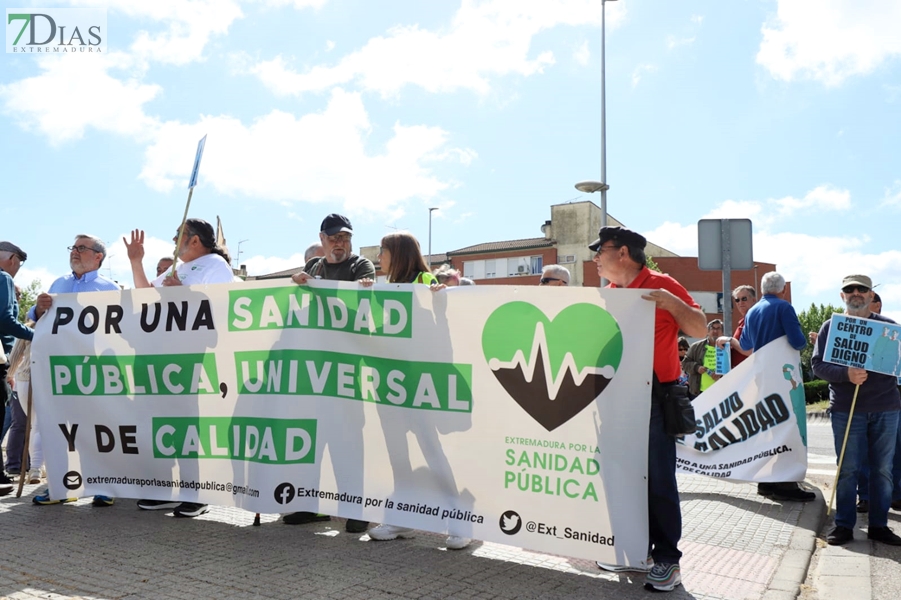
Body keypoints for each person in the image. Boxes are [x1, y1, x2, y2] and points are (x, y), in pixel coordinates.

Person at [590, 226, 706, 592]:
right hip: (616, 398)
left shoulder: (662, 284)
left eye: (600, 251)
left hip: (655, 398)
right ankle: (635, 549)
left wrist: (672, 304)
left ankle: (668, 560)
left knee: (658, 478)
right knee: (621, 475)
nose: (594, 258)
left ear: (622, 253)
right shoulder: (608, 294)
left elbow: (699, 328)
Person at [360, 232, 472, 550]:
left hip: (419, 384)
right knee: (398, 455)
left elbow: (448, 321)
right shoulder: (383, 289)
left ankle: (459, 522)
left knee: (432, 452)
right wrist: (366, 299)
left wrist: (441, 295)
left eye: (381, 251)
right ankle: (402, 517)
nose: (377, 257)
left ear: (397, 253)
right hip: (389, 385)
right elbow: (368, 332)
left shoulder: (426, 280)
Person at [124, 219, 236, 517]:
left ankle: (196, 492)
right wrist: (137, 262)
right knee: (161, 423)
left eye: (178, 235)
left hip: (192, 357)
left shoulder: (216, 266)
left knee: (187, 425)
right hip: (162, 357)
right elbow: (146, 294)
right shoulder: (179, 267)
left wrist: (182, 292)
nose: (174, 241)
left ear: (195, 240)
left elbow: (219, 308)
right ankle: (164, 489)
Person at [288, 214, 375, 534]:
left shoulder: (360, 266)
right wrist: (295, 282)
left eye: (345, 238)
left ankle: (356, 507)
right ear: (322, 240)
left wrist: (364, 290)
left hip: (347, 368)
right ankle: (310, 504)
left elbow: (365, 303)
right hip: (314, 369)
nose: (341, 243)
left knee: (348, 440)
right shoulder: (314, 268)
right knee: (313, 439)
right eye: (335, 238)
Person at [28, 235, 124, 506]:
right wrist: (37, 308)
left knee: (98, 428)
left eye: (82, 248)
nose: (75, 252)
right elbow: (37, 319)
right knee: (59, 428)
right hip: (60, 369)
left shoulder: (110, 288)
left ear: (98, 257)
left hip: (96, 369)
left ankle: (104, 487)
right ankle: (60, 486)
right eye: (73, 247)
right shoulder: (58, 283)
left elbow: (123, 328)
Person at [812, 275, 901, 546]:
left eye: (861, 289)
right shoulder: (832, 327)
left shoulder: (891, 329)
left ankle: (879, 525)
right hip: (846, 409)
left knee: (883, 470)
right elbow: (817, 366)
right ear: (842, 296)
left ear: (872, 295)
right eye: (849, 289)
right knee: (848, 469)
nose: (855, 293)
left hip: (886, 408)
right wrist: (846, 374)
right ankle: (844, 525)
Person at [736, 272, 814, 502]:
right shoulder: (784, 307)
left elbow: (745, 344)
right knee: (787, 426)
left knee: (770, 428)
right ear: (784, 290)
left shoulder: (752, 311)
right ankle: (785, 485)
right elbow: (797, 341)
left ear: (761, 290)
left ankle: (766, 482)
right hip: (782, 377)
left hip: (762, 377)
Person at [0, 241, 33, 496]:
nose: (17, 269)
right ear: (12, 258)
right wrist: (38, 334)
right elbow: (6, 320)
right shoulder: (4, 278)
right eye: (18, 264)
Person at [682, 320, 724, 398]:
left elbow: (734, 367)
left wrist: (721, 373)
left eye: (718, 328)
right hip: (698, 392)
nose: (715, 331)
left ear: (722, 332)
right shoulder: (696, 347)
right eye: (712, 328)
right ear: (708, 332)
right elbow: (685, 363)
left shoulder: (727, 348)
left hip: (720, 392)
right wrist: (696, 367)